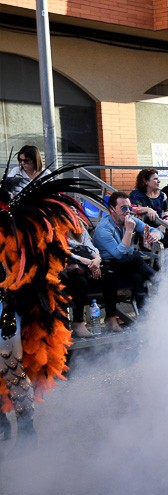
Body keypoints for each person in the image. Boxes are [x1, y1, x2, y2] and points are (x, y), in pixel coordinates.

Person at [0, 164, 93, 449]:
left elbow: (45, 258)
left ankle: (27, 428)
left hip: (7, 309)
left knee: (10, 366)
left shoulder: (16, 229)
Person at [93, 191, 162, 320]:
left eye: (129, 208)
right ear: (112, 209)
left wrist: (156, 235)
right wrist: (129, 231)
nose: (128, 211)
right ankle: (159, 280)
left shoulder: (129, 219)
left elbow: (154, 230)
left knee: (138, 277)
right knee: (136, 257)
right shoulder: (103, 229)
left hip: (128, 265)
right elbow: (119, 255)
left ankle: (145, 320)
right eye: (124, 208)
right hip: (109, 266)